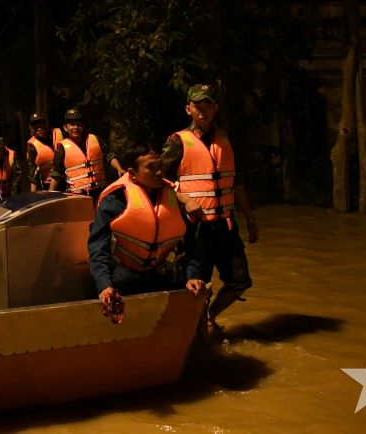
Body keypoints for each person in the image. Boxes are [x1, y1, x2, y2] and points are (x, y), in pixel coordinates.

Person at [161, 82, 259, 342]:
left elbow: (236, 182)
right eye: (197, 105)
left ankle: (208, 317)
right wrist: (183, 199)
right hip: (195, 230)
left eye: (208, 105)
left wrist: (250, 218)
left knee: (240, 282)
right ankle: (193, 335)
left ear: (215, 109)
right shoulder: (177, 142)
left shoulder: (227, 139)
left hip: (226, 227)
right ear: (188, 109)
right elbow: (157, 181)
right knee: (194, 286)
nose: (202, 111)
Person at [88, 144, 208, 323]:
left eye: (160, 166)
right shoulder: (115, 201)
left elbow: (191, 245)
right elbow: (98, 248)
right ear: (132, 173)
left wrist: (193, 277)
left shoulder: (173, 198)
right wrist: (105, 286)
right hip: (123, 272)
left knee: (194, 285)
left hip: (155, 269)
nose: (159, 172)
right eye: (151, 168)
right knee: (121, 281)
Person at [49, 108, 124, 201]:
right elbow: (56, 174)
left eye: (79, 125)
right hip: (77, 196)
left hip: (100, 192)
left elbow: (109, 156)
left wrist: (119, 168)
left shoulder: (95, 139)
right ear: (65, 127)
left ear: (83, 127)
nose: (75, 128)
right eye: (72, 125)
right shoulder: (61, 148)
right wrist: (50, 193)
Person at [26, 112, 55, 191]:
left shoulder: (57, 136)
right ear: (31, 128)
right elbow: (32, 173)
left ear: (46, 125)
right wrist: (33, 195)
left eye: (41, 125)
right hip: (46, 186)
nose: (39, 128)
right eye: (35, 126)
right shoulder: (32, 146)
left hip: (64, 182)